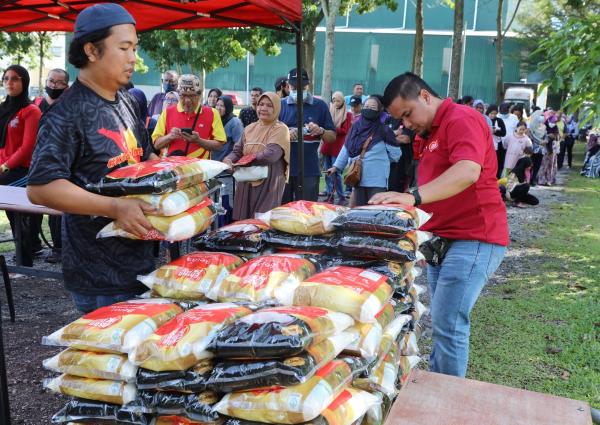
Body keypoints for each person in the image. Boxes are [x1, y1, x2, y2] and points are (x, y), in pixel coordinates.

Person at [372, 72, 508, 378]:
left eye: (407, 114)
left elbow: (468, 171)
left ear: (424, 96)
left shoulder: (461, 118)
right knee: (443, 323)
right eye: (400, 119)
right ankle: (439, 388)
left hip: (474, 237)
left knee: (449, 326)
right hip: (443, 239)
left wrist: (412, 197)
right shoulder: (429, 131)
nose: (406, 124)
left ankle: (446, 398)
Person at [27, 3, 159, 313]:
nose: (133, 57)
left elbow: (147, 155)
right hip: (99, 275)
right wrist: (114, 207)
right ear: (91, 50)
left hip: (139, 261)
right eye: (124, 48)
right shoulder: (67, 112)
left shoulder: (126, 101)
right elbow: (41, 187)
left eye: (135, 48)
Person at [223, 92, 290, 220]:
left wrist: (245, 161)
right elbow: (237, 151)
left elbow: (271, 155)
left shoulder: (280, 129)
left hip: (268, 182)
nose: (263, 108)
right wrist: (228, 160)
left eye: (269, 105)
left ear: (277, 108)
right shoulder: (249, 128)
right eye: (261, 104)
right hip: (246, 180)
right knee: (244, 221)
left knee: (262, 221)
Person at [0, 65, 42, 266]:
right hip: (4, 169)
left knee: (17, 215)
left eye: (15, 78)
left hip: (22, 170)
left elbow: (27, 148)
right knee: (13, 214)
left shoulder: (31, 110)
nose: (9, 83)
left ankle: (25, 260)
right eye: (6, 78)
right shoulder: (2, 109)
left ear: (24, 82)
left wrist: (4, 167)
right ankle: (25, 257)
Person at [327, 96, 401, 207]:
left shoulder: (384, 130)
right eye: (366, 106)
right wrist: (336, 167)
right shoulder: (355, 127)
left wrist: (381, 161)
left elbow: (396, 155)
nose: (369, 109)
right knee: (359, 210)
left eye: (373, 107)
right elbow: (347, 147)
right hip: (357, 177)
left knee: (375, 211)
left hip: (377, 180)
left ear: (379, 110)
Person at [279, 68, 336, 202]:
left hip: (309, 169)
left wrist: (321, 131)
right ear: (288, 85)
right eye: (294, 87)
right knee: (283, 210)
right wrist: (285, 134)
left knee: (307, 209)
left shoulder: (320, 105)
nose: (298, 90)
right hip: (283, 168)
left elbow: (332, 137)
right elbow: (269, 135)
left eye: (302, 87)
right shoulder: (280, 105)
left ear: (308, 85)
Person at [34, 68, 70, 263]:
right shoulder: (36, 105)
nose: (53, 85)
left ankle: (59, 247)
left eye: (58, 82)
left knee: (58, 207)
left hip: (61, 164)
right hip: (37, 161)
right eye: (51, 81)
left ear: (66, 86)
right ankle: (31, 244)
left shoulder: (69, 107)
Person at [152, 74, 226, 158]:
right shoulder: (167, 112)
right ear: (178, 93)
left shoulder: (212, 113)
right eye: (183, 95)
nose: (187, 100)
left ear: (199, 95)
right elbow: (156, 144)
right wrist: (170, 136)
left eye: (191, 96)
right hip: (174, 165)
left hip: (200, 166)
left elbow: (220, 145)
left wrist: (198, 141)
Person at [214, 95, 244, 225]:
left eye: (222, 106)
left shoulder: (234, 123)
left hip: (227, 170)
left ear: (228, 107)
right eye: (217, 105)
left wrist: (231, 161)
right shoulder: (215, 120)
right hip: (214, 169)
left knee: (227, 201)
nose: (219, 108)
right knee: (217, 202)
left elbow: (240, 145)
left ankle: (227, 227)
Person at [321, 91, 352, 204]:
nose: (335, 103)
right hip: (328, 145)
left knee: (336, 173)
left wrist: (332, 129)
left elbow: (345, 130)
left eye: (338, 100)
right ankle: (330, 195)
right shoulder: (330, 111)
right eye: (334, 100)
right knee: (327, 172)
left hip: (338, 146)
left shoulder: (347, 114)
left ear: (343, 101)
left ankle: (341, 196)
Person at [537, 113, 560, 186]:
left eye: (555, 122)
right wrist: (547, 136)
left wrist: (553, 136)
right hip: (545, 148)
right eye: (552, 122)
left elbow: (557, 137)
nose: (553, 123)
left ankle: (549, 180)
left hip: (553, 149)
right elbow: (541, 136)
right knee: (544, 165)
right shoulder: (544, 126)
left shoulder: (556, 128)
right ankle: (541, 180)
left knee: (551, 165)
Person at [486, 104, 507, 178]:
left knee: (498, 162)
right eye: (491, 113)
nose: (493, 115)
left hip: (498, 145)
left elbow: (504, 133)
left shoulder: (499, 121)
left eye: (495, 114)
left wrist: (495, 131)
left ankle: (496, 177)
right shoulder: (484, 119)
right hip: (487, 144)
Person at [528, 110, 546, 186]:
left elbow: (546, 136)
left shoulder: (544, 126)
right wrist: (539, 141)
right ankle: (528, 179)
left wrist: (545, 141)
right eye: (540, 115)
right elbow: (531, 136)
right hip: (533, 149)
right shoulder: (531, 126)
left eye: (543, 115)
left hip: (541, 149)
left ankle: (533, 179)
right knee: (531, 164)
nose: (542, 117)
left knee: (537, 165)